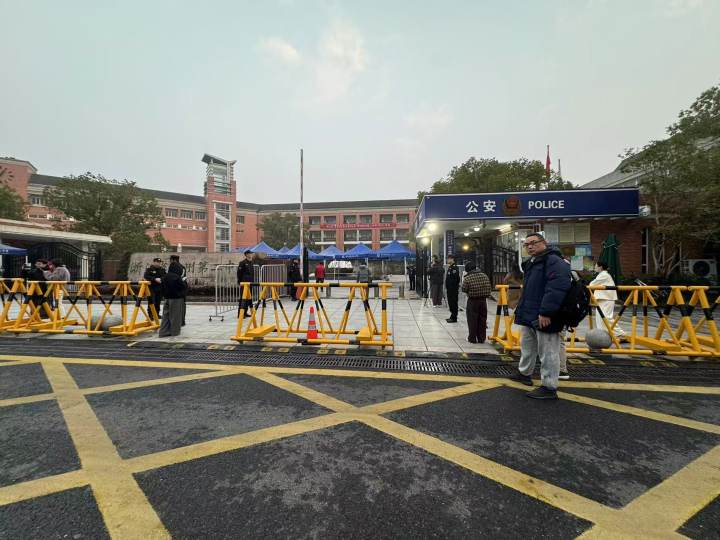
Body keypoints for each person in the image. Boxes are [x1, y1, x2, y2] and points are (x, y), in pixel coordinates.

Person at [510, 233, 571, 400]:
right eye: (526, 244)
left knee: (548, 351)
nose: (530, 246)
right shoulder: (534, 262)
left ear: (544, 242)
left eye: (533, 243)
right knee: (527, 346)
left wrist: (547, 312)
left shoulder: (554, 261)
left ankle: (549, 386)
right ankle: (524, 373)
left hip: (545, 315)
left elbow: (557, 288)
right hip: (529, 313)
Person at [589, 260, 624, 336]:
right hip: (603, 299)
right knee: (599, 318)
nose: (595, 267)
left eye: (596, 265)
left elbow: (592, 284)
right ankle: (603, 333)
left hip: (607, 299)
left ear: (600, 267)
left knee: (606, 317)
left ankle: (619, 333)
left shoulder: (604, 275)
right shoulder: (602, 274)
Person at [461, 262, 492, 343]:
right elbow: (489, 287)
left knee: (472, 320)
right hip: (483, 301)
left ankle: (472, 338)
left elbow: (464, 289)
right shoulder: (484, 275)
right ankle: (481, 338)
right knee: (482, 319)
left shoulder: (468, 278)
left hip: (472, 301)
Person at [159, 262, 186, 337]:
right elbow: (183, 287)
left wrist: (164, 295)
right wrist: (183, 281)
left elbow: (161, 288)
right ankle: (175, 332)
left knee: (165, 316)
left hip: (167, 299)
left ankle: (163, 332)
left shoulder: (164, 277)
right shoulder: (177, 277)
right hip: (176, 299)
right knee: (175, 316)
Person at [169, 254, 187, 326]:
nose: (170, 261)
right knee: (183, 304)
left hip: (176, 288)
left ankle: (176, 321)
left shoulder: (174, 267)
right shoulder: (183, 267)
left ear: (173, 260)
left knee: (176, 305)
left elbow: (173, 278)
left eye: (170, 260)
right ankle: (182, 321)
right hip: (183, 287)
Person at [237, 250, 254, 317]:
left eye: (251, 253)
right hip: (244, 283)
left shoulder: (251, 262)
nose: (251, 255)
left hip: (250, 283)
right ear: (246, 255)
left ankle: (245, 312)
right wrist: (240, 281)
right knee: (243, 299)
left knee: (248, 298)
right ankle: (240, 314)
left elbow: (252, 273)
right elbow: (239, 273)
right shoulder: (242, 263)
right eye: (249, 253)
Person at [445, 255, 460, 323]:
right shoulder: (450, 267)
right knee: (450, 303)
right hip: (449, 289)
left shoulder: (455, 268)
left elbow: (456, 279)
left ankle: (454, 317)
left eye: (448, 259)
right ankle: (452, 316)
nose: (447, 260)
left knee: (453, 303)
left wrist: (452, 287)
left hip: (453, 289)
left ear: (452, 259)